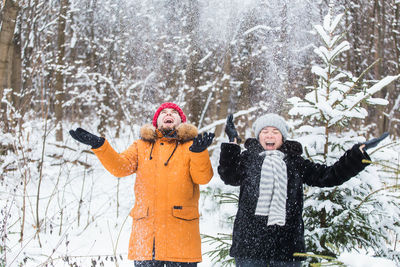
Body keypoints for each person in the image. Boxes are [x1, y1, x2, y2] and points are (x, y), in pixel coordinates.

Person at [218, 113, 386, 267]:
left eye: (275, 131)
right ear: (258, 136)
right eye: (265, 131)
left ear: (282, 137)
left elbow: (329, 176)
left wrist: (356, 155)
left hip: (286, 247)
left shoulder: (295, 163)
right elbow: (228, 175)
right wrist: (232, 144)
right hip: (250, 246)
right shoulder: (248, 159)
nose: (270, 135)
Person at [69, 102, 215, 267]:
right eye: (164, 112)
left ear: (181, 120)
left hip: (181, 238)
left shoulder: (192, 146)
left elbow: (203, 178)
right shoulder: (141, 146)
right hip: (146, 239)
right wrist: (99, 145)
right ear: (156, 121)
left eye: (173, 112)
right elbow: (120, 168)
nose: (168, 114)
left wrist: (199, 153)